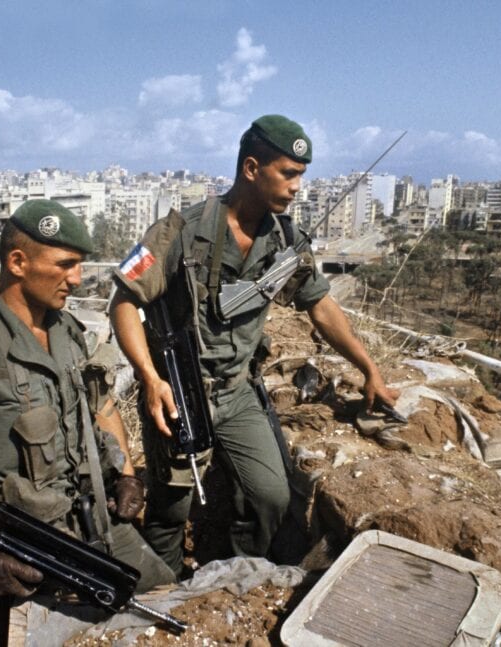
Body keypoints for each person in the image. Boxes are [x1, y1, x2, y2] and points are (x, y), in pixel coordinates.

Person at [110, 114, 399, 575]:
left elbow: (321, 306)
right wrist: (150, 379)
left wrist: (370, 368)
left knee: (272, 496)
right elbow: (124, 303)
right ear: (251, 168)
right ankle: (165, 592)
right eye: (288, 173)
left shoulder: (284, 239)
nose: (297, 186)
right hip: (180, 392)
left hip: (238, 391)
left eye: (301, 176)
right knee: (170, 511)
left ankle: (232, 573)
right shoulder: (180, 231)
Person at [0, 199, 175, 647]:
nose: (78, 278)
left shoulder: (68, 331)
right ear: (17, 263)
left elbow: (102, 407)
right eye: (65, 265)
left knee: (166, 605)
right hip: (19, 545)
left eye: (80, 264)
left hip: (93, 521)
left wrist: (125, 475)